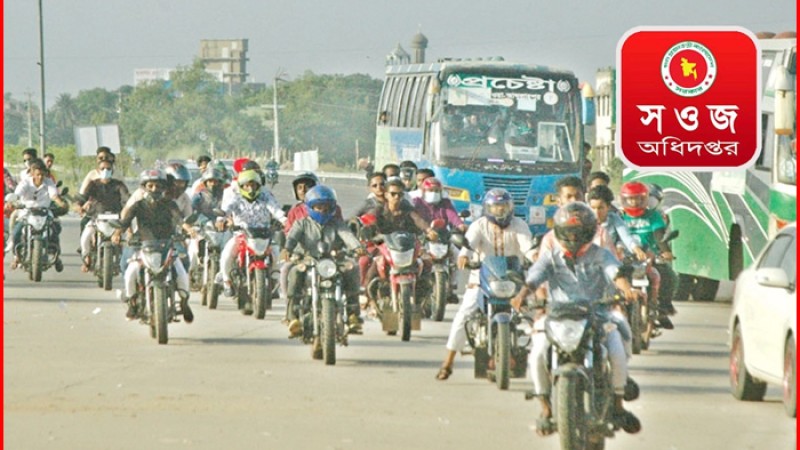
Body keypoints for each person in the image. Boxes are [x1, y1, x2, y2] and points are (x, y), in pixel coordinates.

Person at [510, 202, 640, 436]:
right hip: (557, 315)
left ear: (589, 232)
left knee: (617, 349)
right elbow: (534, 277)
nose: (573, 237)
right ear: (559, 232)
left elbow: (615, 273)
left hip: (597, 315)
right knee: (537, 352)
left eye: (578, 233)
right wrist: (521, 295)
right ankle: (546, 409)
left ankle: (619, 405)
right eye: (568, 232)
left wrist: (627, 289)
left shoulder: (601, 254)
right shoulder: (550, 256)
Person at [434, 188, 535, 380]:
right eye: (496, 207)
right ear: (488, 208)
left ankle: (548, 363)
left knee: (537, 318)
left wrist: (534, 256)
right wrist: (464, 257)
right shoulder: (479, 225)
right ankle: (448, 362)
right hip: (482, 279)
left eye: (504, 207)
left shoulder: (519, 224)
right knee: (464, 315)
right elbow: (468, 245)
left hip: (514, 280)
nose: (500, 211)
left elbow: (527, 246)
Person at [111, 169, 192, 322]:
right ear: (145, 187)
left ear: (163, 188)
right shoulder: (138, 205)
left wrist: (188, 229)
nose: (155, 189)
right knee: (130, 273)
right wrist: (117, 233)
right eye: (151, 186)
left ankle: (184, 302)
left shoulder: (170, 204)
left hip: (166, 247)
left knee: (181, 272)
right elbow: (125, 221)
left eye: (158, 186)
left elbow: (179, 219)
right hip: (143, 247)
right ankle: (132, 303)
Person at [284, 185, 365, 337]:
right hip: (308, 259)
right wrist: (287, 249)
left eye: (326, 207)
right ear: (310, 207)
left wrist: (357, 247)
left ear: (332, 208)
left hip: (332, 261)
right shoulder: (302, 223)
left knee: (352, 268)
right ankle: (292, 317)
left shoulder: (336, 223)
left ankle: (353, 314)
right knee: (294, 272)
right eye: (318, 206)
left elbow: (347, 235)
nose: (322, 210)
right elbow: (292, 238)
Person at [219, 170, 287, 313]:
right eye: (247, 186)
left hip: (264, 235)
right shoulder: (236, 198)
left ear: (258, 186)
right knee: (226, 255)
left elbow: (275, 210)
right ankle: (227, 282)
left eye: (254, 186)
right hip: (242, 235)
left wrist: (284, 220)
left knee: (276, 253)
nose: (250, 189)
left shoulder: (265, 197)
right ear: (241, 186)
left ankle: (275, 282)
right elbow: (226, 210)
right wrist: (221, 220)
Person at [619, 181, 675, 329]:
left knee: (668, 275)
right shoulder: (619, 217)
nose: (634, 202)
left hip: (649, 257)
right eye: (630, 199)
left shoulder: (653, 216)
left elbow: (658, 236)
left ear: (644, 199)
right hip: (624, 259)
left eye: (637, 199)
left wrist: (665, 251)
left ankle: (662, 310)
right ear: (624, 199)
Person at [412, 177, 467, 303]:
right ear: (423, 191)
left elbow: (452, 215)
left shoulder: (445, 203)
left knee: (457, 256)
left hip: (443, 238)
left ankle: (452, 286)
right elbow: (413, 218)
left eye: (437, 191)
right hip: (421, 239)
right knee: (415, 260)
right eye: (430, 190)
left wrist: (460, 225)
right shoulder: (417, 203)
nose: (434, 193)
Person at [7, 160, 68, 272]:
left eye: (42, 174)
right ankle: (16, 257)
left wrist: (62, 203)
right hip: (27, 213)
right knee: (16, 232)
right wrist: (12, 202)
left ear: (45, 173)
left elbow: (54, 195)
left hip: (44, 212)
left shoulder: (49, 182)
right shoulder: (25, 183)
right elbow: (17, 194)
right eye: (37, 174)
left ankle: (56, 256)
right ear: (32, 173)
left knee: (55, 229)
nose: (40, 177)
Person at [77, 159, 130, 272]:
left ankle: (123, 264)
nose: (105, 171)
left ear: (112, 170)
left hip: (116, 221)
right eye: (102, 169)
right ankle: (87, 259)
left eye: (108, 169)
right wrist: (78, 205)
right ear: (98, 170)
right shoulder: (93, 184)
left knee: (127, 243)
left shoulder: (118, 185)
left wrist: (129, 206)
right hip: (96, 219)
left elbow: (127, 199)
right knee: (85, 238)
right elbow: (83, 197)